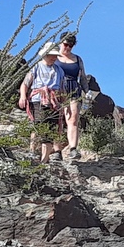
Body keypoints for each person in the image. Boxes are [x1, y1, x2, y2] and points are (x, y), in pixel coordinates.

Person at [18, 42, 65, 162]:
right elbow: (25, 84)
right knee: (38, 126)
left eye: (55, 55)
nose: (54, 58)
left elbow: (62, 89)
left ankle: (44, 159)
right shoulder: (36, 67)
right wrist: (23, 96)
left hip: (54, 102)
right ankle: (32, 152)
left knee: (51, 130)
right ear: (45, 54)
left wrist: (64, 104)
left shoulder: (59, 71)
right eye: (51, 55)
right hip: (38, 100)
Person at [56, 32, 90, 160]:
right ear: (61, 42)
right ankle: (57, 150)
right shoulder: (54, 56)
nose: (68, 48)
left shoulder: (77, 59)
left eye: (71, 45)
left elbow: (83, 77)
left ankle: (73, 148)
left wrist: (87, 92)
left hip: (74, 89)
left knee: (73, 119)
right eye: (66, 44)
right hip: (57, 90)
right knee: (58, 120)